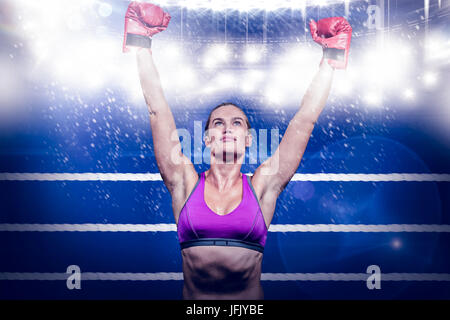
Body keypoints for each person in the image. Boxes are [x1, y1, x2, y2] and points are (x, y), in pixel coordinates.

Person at [123, 2, 352, 299]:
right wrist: (142, 43)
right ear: (207, 139)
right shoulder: (184, 182)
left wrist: (329, 58)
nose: (227, 128)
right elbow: (157, 110)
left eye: (236, 123)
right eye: (218, 123)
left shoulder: (263, 185)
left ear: (248, 139)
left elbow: (305, 120)